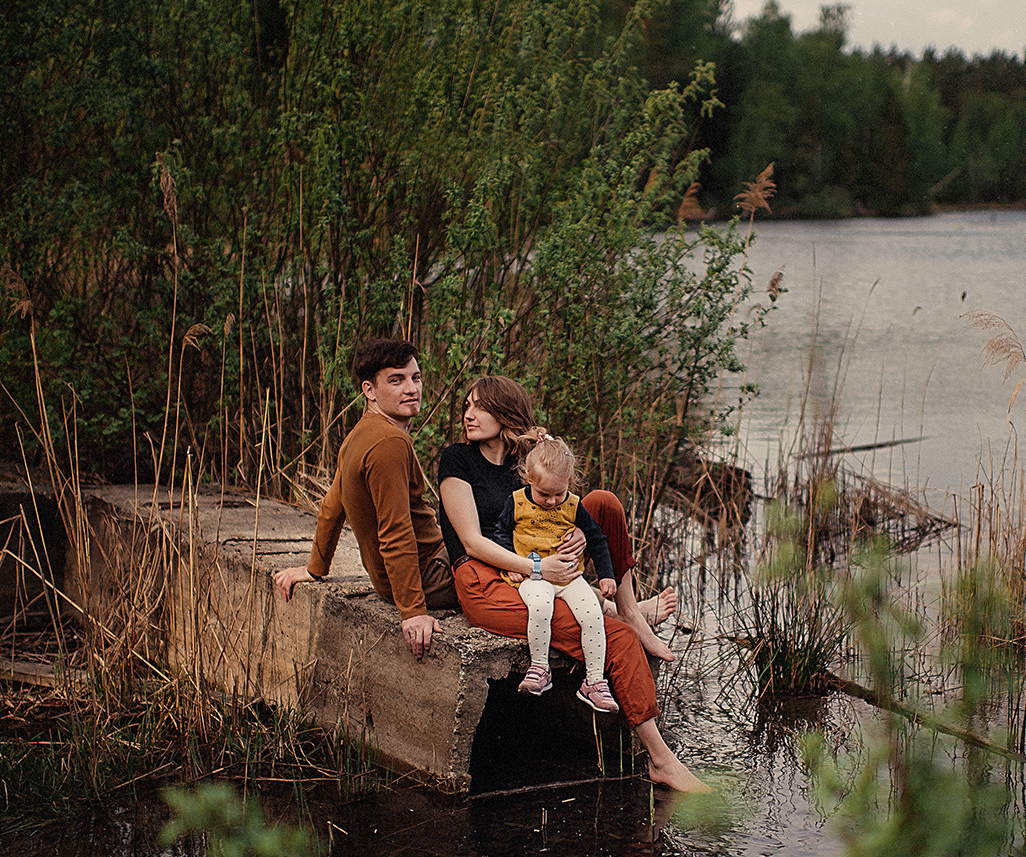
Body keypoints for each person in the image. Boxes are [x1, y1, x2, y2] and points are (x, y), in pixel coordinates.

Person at [437, 375, 707, 791]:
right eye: (467, 405)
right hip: (487, 582)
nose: (469, 414)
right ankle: (661, 759)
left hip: (543, 572)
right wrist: (539, 569)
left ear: (507, 414)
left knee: (602, 504)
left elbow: (563, 506)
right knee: (613, 637)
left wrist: (578, 534)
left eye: (482, 407)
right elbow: (472, 542)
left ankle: (630, 608)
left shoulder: (527, 460)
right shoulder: (457, 459)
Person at [272, 337, 454, 660]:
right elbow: (395, 530)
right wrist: (413, 611)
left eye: (416, 377)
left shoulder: (359, 434)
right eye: (396, 380)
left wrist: (315, 568)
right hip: (433, 575)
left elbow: (331, 508)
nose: (411, 388)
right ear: (369, 390)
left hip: (400, 577)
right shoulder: (390, 443)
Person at [488, 434, 619, 712]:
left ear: (568, 485)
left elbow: (597, 538)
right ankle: (539, 669)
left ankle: (594, 682)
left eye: (558, 494)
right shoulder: (517, 502)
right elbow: (501, 533)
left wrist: (606, 575)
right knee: (540, 606)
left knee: (593, 615)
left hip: (570, 577)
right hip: (533, 575)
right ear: (529, 481)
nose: (551, 501)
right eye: (544, 494)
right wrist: (510, 564)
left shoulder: (573, 504)